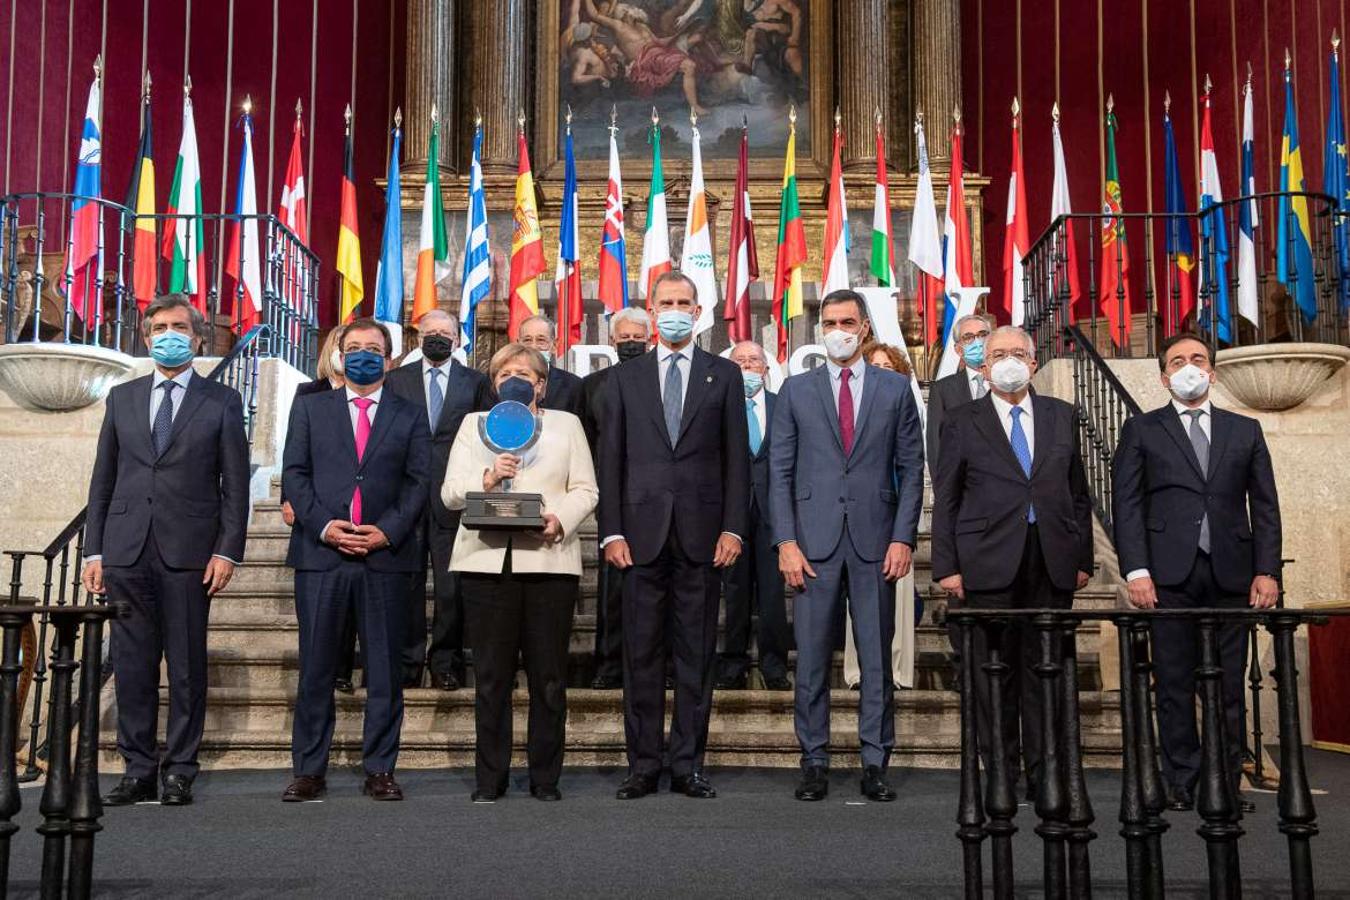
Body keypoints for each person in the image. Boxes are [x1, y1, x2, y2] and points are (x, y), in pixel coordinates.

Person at [82, 293, 250, 806]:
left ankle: (180, 768)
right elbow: (103, 480)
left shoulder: (220, 400)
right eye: (158, 327)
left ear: (198, 338)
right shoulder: (123, 398)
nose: (168, 334)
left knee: (185, 667)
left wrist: (228, 551)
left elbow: (236, 485)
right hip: (126, 552)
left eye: (178, 326)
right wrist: (94, 552)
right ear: (147, 335)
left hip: (190, 554)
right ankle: (138, 769)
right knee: (131, 668)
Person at [1111, 332, 1280, 814]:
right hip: (1168, 575)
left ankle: (1225, 782)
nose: (1189, 367)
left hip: (1232, 573)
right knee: (1175, 682)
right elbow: (1128, 504)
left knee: (1227, 686)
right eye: (1178, 361)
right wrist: (1136, 570)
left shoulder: (1244, 430)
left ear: (1213, 370)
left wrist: (1266, 569)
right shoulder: (1142, 430)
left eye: (1198, 359)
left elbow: (1265, 506)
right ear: (1164, 376)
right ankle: (1182, 779)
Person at [770, 289, 925, 803]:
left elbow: (911, 469)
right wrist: (786, 541)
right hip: (811, 544)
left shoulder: (894, 389)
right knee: (811, 659)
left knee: (877, 659)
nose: (839, 329)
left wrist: (904, 537)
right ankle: (814, 760)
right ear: (822, 329)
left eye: (848, 321)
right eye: (830, 321)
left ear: (864, 328)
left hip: (875, 541)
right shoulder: (795, 390)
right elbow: (780, 472)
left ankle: (875, 760)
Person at [600, 270, 749, 800]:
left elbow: (737, 460)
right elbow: (611, 460)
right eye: (667, 301)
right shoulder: (623, 378)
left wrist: (734, 526)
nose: (676, 309)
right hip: (637, 539)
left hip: (704, 538)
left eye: (685, 301)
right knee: (639, 656)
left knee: (695, 656)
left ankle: (687, 764)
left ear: (699, 309)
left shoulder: (724, 375)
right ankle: (642, 764)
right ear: (650, 306)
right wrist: (611, 532)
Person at [931, 325, 1093, 802]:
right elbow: (948, 499)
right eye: (998, 353)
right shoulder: (962, 420)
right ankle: (1000, 771)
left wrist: (1081, 555)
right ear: (982, 365)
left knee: (1046, 675)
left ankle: (1046, 773)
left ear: (1033, 362)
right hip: (985, 565)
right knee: (991, 678)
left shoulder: (1061, 416)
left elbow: (1078, 494)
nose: (1007, 360)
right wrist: (947, 566)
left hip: (1051, 563)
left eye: (1017, 353)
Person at [280, 317, 430, 803]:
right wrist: (325, 526)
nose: (364, 355)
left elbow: (418, 482)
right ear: (341, 356)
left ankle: (381, 769)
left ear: (388, 360)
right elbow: (295, 475)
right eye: (355, 347)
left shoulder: (410, 414)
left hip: (386, 558)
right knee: (317, 668)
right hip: (322, 556)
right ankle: (308, 770)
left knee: (384, 671)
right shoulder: (310, 409)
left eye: (374, 349)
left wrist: (386, 531)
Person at [442, 343, 598, 802]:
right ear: (494, 383)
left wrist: (559, 519)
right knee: (490, 678)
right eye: (506, 371)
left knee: (549, 677)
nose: (515, 378)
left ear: (541, 384)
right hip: (485, 564)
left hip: (548, 562)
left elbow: (586, 489)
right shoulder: (474, 426)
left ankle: (545, 778)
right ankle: (490, 779)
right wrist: (486, 480)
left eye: (525, 372)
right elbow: (451, 493)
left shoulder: (566, 425)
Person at [384, 309, 493, 691]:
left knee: (451, 588)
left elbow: (485, 436)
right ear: (417, 338)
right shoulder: (395, 381)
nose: (436, 338)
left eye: (444, 333)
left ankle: (445, 662)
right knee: (407, 585)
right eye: (429, 332)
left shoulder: (476, 382)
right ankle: (407, 663)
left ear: (457, 339)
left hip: (454, 497)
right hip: (406, 498)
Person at [283, 328, 361, 693]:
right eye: (349, 347)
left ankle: (343, 669)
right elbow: (294, 455)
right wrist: (291, 498)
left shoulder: (378, 397)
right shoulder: (309, 394)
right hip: (316, 510)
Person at [580, 307, 653, 689]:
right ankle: (609, 666)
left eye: (637, 338)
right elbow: (586, 443)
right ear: (612, 341)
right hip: (612, 499)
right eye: (624, 338)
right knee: (612, 589)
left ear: (650, 338)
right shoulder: (593, 386)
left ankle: (661, 666)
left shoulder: (664, 381)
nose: (630, 344)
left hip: (658, 499)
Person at [841, 341, 920, 692]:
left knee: (898, 603)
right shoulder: (849, 408)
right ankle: (857, 670)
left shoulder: (902, 405)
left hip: (892, 518)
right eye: (873, 366)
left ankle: (898, 670)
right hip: (853, 518)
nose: (879, 372)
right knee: (856, 607)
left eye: (886, 367)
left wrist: (904, 529)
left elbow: (911, 468)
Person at [716, 340, 792, 691]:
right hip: (731, 515)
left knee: (774, 595)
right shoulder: (718, 408)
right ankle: (732, 664)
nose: (748, 367)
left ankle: (775, 666)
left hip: (775, 513)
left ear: (766, 368)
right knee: (735, 593)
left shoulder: (783, 406)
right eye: (740, 361)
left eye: (754, 361)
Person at [925, 313, 993, 469]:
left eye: (983, 335)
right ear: (958, 350)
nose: (978, 341)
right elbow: (936, 447)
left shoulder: (1009, 382)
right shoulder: (943, 390)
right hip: (964, 485)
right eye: (968, 337)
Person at [518, 314, 583, 415]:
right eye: (527, 340)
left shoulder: (574, 386)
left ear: (554, 346)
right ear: (518, 345)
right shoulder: (501, 383)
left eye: (541, 340)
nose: (533, 347)